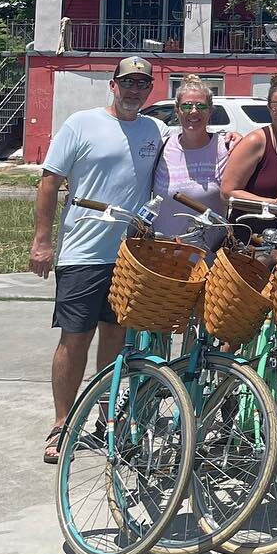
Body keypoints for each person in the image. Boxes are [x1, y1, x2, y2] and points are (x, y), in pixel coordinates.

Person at [30, 55, 166, 463]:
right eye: (128, 83)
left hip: (129, 256)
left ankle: (106, 416)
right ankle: (61, 423)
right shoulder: (81, 123)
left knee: (115, 337)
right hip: (83, 252)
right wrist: (42, 242)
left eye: (142, 84)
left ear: (149, 90)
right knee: (74, 339)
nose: (134, 90)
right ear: (113, 84)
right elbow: (50, 181)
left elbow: (186, 150)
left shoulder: (155, 129)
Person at [150, 74, 240, 261]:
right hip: (162, 259)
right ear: (177, 110)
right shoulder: (162, 147)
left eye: (201, 106)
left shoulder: (225, 148)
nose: (193, 111)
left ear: (210, 111)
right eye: (186, 106)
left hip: (208, 261)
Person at [221, 71, 277, 218]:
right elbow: (227, 192)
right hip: (252, 235)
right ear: (269, 108)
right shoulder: (255, 142)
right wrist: (272, 204)